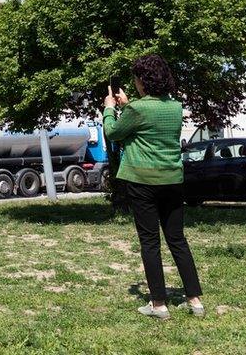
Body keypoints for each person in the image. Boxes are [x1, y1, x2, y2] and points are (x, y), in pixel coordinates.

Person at [103, 54, 204, 319]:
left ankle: (158, 304)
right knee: (177, 239)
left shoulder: (137, 108)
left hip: (142, 181)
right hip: (172, 179)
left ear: (142, 81)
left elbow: (114, 132)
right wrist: (127, 106)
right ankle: (194, 300)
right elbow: (149, 125)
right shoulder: (176, 107)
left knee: (150, 242)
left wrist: (109, 109)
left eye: (136, 79)